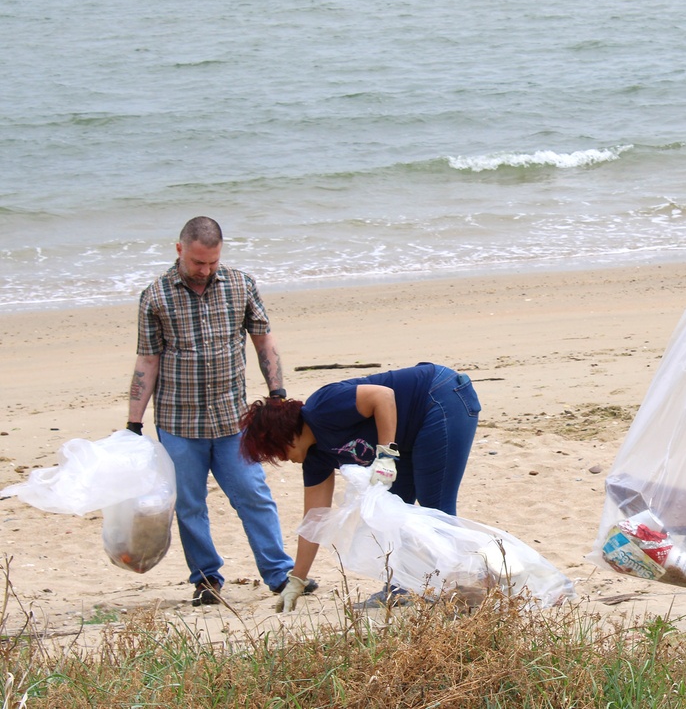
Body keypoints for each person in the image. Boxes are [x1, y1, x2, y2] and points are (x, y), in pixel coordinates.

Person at [127, 216, 314, 607]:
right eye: (197, 262)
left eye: (212, 262)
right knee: (189, 505)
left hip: (233, 418)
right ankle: (206, 579)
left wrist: (277, 393)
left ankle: (279, 573)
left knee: (254, 495)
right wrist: (133, 422)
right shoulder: (155, 296)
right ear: (180, 250)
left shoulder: (240, 284)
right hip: (179, 421)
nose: (205, 270)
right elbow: (148, 360)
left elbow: (263, 340)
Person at [239, 362, 481, 612]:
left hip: (439, 397)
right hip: (407, 438)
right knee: (391, 516)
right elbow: (314, 521)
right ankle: (399, 589)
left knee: (436, 505)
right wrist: (297, 580)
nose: (282, 459)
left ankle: (465, 590)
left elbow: (382, 396)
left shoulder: (323, 407)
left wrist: (386, 455)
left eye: (277, 452)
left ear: (285, 435)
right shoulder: (315, 459)